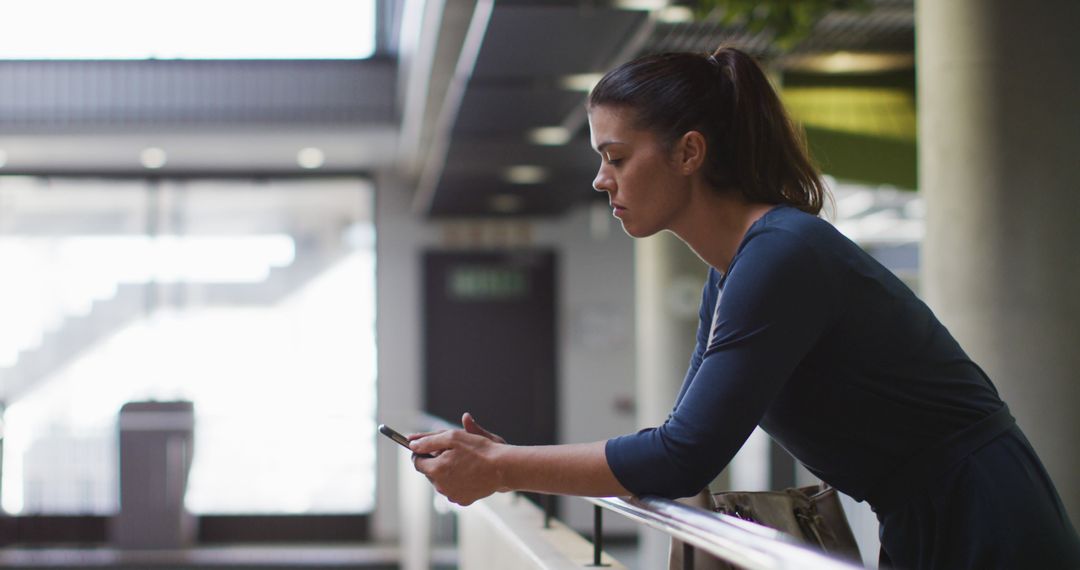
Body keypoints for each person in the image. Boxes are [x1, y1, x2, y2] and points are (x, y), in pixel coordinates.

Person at [408, 46, 1080, 569]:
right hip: (925, 513)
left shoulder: (782, 254)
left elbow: (681, 459)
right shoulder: (732, 272)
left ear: (690, 152)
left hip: (983, 514)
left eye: (615, 156)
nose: (599, 178)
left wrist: (502, 467)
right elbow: (677, 440)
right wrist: (507, 461)